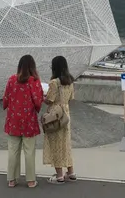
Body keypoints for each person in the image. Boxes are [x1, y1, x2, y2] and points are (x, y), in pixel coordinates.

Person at [3, 54, 44, 189]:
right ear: (32, 66)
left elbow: (5, 99)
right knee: (29, 151)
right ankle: (31, 180)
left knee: (13, 150)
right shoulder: (34, 81)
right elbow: (38, 101)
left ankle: (12, 180)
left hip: (13, 119)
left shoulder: (11, 79)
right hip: (28, 121)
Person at [43, 55, 76, 184]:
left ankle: (59, 176)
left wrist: (42, 97)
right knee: (66, 144)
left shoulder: (54, 82)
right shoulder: (70, 81)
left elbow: (49, 100)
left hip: (55, 115)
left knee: (56, 144)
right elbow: (71, 98)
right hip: (66, 114)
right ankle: (71, 172)